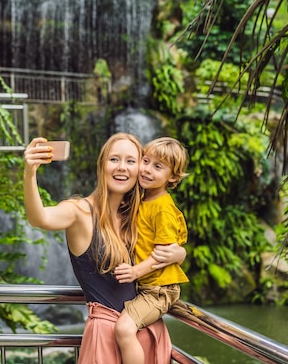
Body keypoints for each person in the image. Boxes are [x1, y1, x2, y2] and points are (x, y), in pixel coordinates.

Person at [23, 133, 186, 364]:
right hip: (106, 337)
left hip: (147, 331)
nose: (122, 167)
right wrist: (30, 173)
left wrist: (179, 253)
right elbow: (39, 219)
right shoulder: (79, 211)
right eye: (114, 159)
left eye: (131, 161)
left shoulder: (136, 214)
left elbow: (164, 245)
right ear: (102, 165)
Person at [113, 137, 190, 364]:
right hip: (147, 285)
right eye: (145, 161)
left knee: (124, 329)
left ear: (173, 177)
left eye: (158, 167)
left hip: (158, 289)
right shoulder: (142, 199)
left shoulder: (163, 209)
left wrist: (136, 272)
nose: (146, 170)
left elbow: (163, 254)